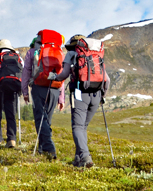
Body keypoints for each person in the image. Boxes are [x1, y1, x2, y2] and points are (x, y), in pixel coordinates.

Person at [52, 35, 110, 167]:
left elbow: (64, 74)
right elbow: (108, 80)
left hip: (79, 93)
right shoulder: (96, 56)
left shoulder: (71, 54)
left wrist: (54, 77)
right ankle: (78, 160)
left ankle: (85, 157)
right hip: (96, 94)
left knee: (77, 127)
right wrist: (102, 96)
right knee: (83, 127)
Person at [21, 30, 65, 159]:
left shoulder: (32, 52)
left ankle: (50, 148)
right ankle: (42, 149)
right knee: (47, 120)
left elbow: (26, 72)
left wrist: (25, 91)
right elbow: (61, 73)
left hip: (38, 86)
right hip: (55, 88)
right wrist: (61, 97)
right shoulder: (59, 52)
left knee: (40, 118)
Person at [0, 39, 23, 147]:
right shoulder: (18, 57)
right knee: (10, 114)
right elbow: (23, 72)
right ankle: (12, 139)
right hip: (12, 88)